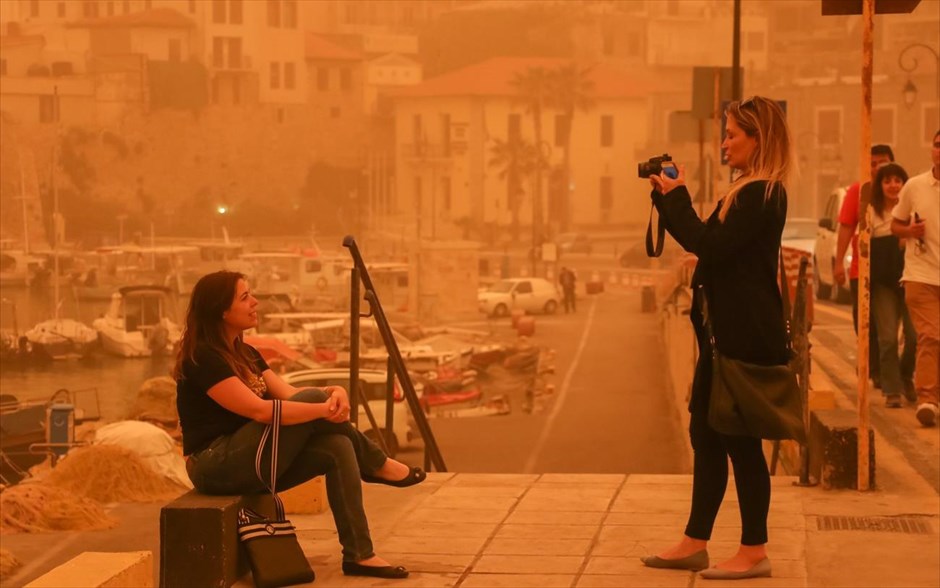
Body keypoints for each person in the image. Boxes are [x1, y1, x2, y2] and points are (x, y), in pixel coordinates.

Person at [174, 271, 424, 579]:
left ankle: (360, 554)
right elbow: (261, 411)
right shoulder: (203, 357)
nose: (256, 302)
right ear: (221, 311)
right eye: (245, 297)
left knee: (337, 446)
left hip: (251, 456)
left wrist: (336, 392)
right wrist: (322, 406)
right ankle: (377, 463)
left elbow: (290, 395)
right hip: (214, 464)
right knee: (314, 398)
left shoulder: (247, 353)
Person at [641, 96, 792, 580]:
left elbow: (712, 245)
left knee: (739, 441)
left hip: (742, 335)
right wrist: (668, 201)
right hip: (721, 333)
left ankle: (754, 550)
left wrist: (677, 195)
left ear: (758, 138)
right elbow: (716, 248)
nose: (724, 143)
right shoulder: (747, 190)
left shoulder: (761, 193)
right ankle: (695, 540)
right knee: (705, 434)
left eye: (732, 135)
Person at [834, 145, 895, 388]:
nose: (878, 167)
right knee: (865, 325)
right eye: (873, 163)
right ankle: (873, 367)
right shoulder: (858, 191)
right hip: (862, 271)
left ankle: (883, 370)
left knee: (889, 327)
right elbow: (847, 227)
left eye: (883, 162)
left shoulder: (900, 188)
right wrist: (838, 263)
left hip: (893, 271)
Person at [891, 130, 940, 427]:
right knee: (931, 335)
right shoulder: (915, 186)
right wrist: (911, 232)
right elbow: (896, 224)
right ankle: (927, 399)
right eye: (937, 145)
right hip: (920, 275)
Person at [869, 163, 917, 408]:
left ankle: (906, 376)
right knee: (887, 338)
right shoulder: (872, 213)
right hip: (883, 284)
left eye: (898, 180)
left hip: (911, 280)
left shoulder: (912, 210)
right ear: (880, 185)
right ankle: (891, 390)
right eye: (887, 181)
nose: (893, 185)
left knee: (915, 336)